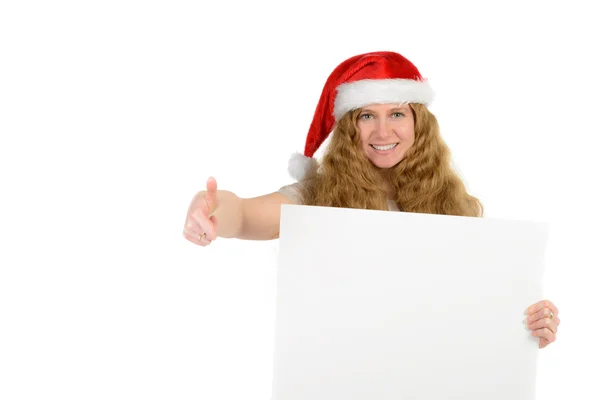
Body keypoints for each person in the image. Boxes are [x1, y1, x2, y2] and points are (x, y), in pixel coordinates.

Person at [182, 51, 560, 349]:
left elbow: (475, 311)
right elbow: (245, 215)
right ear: (350, 128)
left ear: (418, 125)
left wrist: (528, 329)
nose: (383, 131)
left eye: (397, 113)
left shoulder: (454, 207)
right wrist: (210, 209)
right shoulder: (317, 198)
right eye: (367, 116)